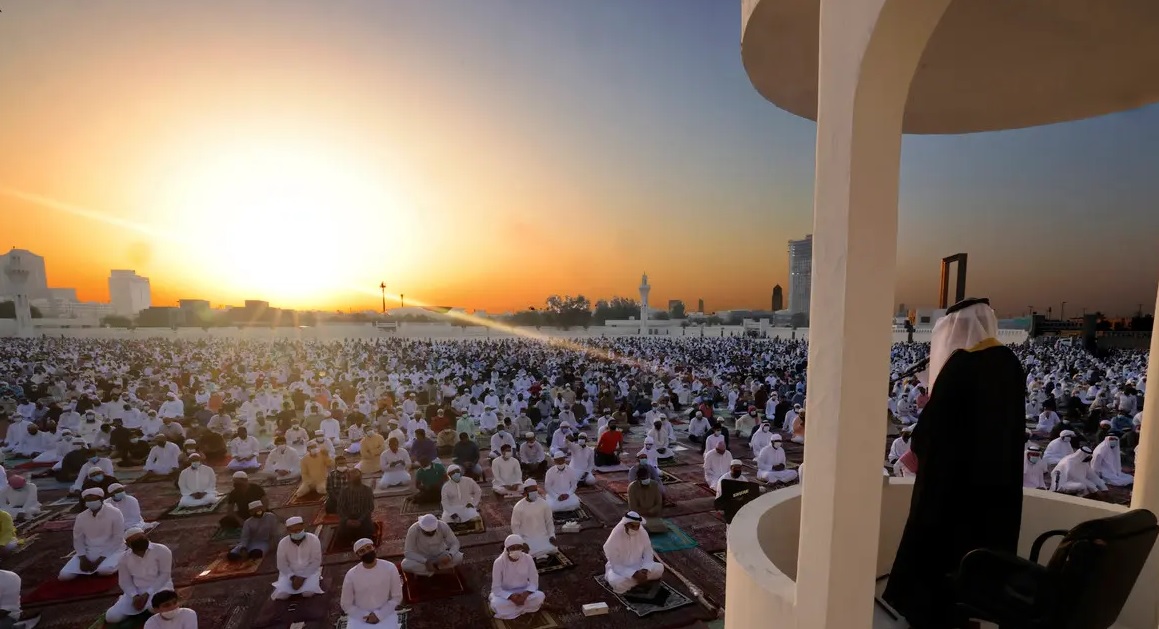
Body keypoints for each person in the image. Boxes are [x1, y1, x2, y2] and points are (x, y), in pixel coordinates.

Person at [883, 298, 1026, 629]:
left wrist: (921, 436)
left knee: (940, 558)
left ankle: (934, 615)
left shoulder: (961, 365)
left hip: (952, 487)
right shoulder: (1009, 362)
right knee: (981, 554)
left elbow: (931, 430)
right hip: (996, 485)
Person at [104, 528, 173, 623]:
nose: (140, 541)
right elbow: (124, 581)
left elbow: (165, 575)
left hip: (160, 588)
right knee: (111, 617)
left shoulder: (161, 550)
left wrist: (147, 593)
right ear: (128, 544)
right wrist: (134, 596)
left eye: (141, 538)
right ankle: (124, 602)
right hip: (137, 591)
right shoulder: (124, 558)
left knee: (154, 608)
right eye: (135, 540)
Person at [60, 488, 126, 580]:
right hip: (90, 551)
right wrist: (83, 558)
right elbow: (78, 539)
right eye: (88, 500)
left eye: (94, 499)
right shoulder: (81, 517)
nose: (91, 502)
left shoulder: (115, 513)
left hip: (112, 549)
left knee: (104, 570)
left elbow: (117, 538)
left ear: (101, 499)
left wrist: (100, 560)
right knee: (64, 576)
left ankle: (124, 557)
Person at [340, 538, 403, 629]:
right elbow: (346, 604)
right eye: (362, 551)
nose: (367, 552)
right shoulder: (351, 574)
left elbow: (397, 597)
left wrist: (380, 615)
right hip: (360, 616)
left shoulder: (390, 567)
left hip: (385, 612)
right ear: (358, 555)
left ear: (374, 548)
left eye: (369, 548)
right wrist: (364, 616)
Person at [602, 511, 664, 594]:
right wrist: (634, 574)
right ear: (625, 524)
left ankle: (636, 582)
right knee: (617, 582)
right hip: (621, 570)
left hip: (639, 566)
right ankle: (639, 581)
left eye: (637, 526)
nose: (635, 529)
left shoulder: (642, 532)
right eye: (632, 526)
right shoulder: (616, 535)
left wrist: (645, 570)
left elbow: (648, 553)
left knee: (659, 568)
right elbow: (616, 565)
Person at [489, 534, 546, 620]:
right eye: (512, 548)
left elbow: (534, 580)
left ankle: (513, 610)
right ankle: (524, 608)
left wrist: (525, 595)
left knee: (540, 596)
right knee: (497, 604)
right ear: (507, 549)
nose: (516, 550)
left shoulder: (528, 558)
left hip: (524, 590)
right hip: (506, 593)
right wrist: (511, 597)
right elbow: (496, 588)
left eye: (519, 547)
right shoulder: (499, 562)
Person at [271, 516, 324, 600]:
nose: (297, 532)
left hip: (309, 572)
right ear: (288, 531)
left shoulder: (313, 539)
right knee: (282, 595)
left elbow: (316, 561)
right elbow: (281, 564)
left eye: (299, 529)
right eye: (294, 531)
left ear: (303, 527)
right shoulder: (283, 543)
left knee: (307, 593)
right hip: (289, 574)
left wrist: (302, 577)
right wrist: (292, 577)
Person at [510, 479, 556, 557]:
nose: (534, 492)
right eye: (531, 490)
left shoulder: (544, 504)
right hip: (527, 539)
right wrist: (522, 543)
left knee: (553, 548)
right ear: (526, 492)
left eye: (535, 490)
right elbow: (515, 527)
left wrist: (552, 536)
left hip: (542, 537)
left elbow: (549, 522)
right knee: (524, 553)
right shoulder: (518, 507)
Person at [336, 469, 376, 544]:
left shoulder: (367, 490)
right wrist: (347, 520)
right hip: (348, 519)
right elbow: (340, 508)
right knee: (341, 537)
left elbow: (370, 507)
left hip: (363, 519)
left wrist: (360, 520)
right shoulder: (344, 491)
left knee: (367, 536)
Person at [627, 467, 667, 535]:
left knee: (662, 528)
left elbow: (659, 503)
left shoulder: (655, 485)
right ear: (638, 479)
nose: (646, 479)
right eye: (643, 478)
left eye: (647, 477)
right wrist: (645, 513)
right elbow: (633, 508)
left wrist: (652, 511)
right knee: (636, 529)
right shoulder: (632, 487)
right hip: (639, 517)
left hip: (653, 516)